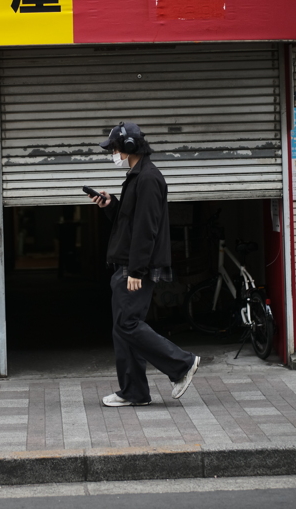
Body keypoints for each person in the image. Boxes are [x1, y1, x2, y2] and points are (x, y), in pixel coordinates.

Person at [88, 122, 200, 406]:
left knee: (128, 324)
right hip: (126, 264)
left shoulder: (149, 179)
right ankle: (134, 391)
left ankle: (182, 364)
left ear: (127, 147)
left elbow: (146, 229)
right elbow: (130, 225)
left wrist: (137, 270)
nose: (111, 154)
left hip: (134, 268)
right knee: (123, 328)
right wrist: (111, 205)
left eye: (113, 148)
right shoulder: (136, 177)